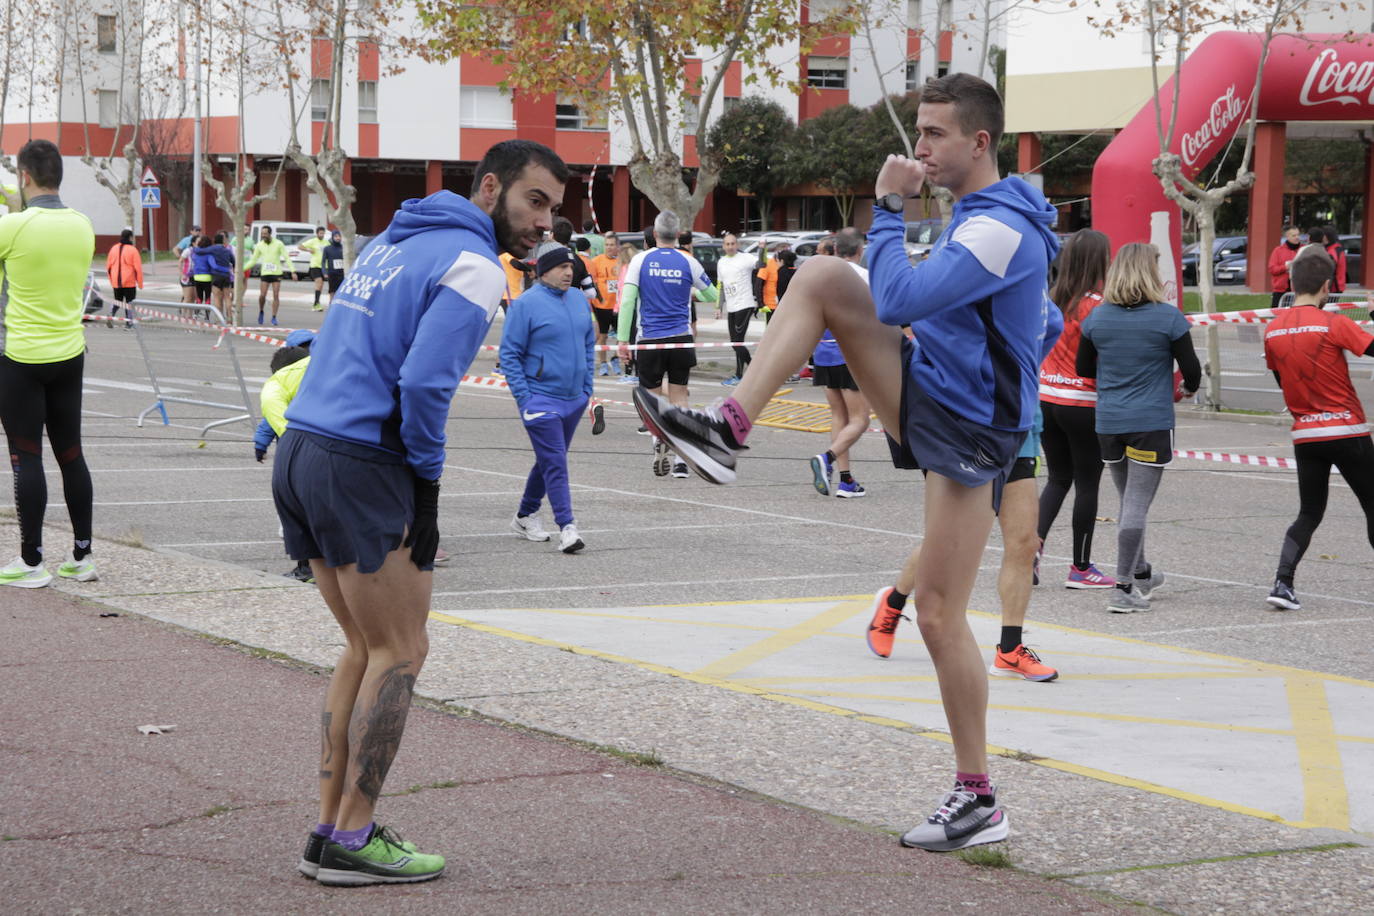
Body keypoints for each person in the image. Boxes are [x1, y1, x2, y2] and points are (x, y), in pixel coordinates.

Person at [634, 73, 1061, 852]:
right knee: (824, 276)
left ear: (980, 142)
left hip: (971, 429)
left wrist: (889, 209)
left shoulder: (1002, 225)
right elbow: (1036, 312)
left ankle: (978, 799)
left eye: (933, 133)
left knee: (936, 614)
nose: (919, 147)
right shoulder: (988, 219)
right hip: (941, 395)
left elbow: (898, 301)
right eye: (918, 131)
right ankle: (727, 429)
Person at [272, 139, 566, 885]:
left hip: (304, 447)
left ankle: (330, 829)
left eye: (554, 210)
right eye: (535, 202)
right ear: (492, 187)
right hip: (364, 462)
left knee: (364, 648)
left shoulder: (391, 241)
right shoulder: (471, 265)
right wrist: (428, 489)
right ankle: (354, 837)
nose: (544, 223)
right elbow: (427, 385)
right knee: (401, 652)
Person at [867, 410, 1060, 682]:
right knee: (949, 539)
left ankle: (1010, 650)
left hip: (1018, 435)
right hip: (964, 436)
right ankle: (894, 601)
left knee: (1025, 543)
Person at [1077, 242, 1201, 613]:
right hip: (1150, 421)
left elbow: (1084, 369)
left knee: (1130, 502)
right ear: (1150, 274)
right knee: (1136, 504)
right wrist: (1186, 389)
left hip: (1109, 422)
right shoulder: (1168, 318)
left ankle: (1142, 572)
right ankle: (1123, 586)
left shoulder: (1097, 318)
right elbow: (1191, 372)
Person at [0, 139, 99, 588]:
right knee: (71, 453)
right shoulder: (84, 225)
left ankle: (32, 562)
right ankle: (82, 556)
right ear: (59, 175)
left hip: (20, 356)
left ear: (23, 176)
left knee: (27, 455)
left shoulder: (14, 226)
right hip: (69, 353)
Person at [1261, 250, 1374, 610]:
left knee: (1309, 513)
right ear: (1328, 287)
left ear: (1292, 285)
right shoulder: (1332, 323)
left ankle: (1282, 583)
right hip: (1347, 429)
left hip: (1306, 434)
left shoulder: (1273, 328)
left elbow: (1281, 378)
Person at [501, 247, 596, 553]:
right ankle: (567, 527)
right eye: (563, 267)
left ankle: (525, 514)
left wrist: (586, 387)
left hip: (574, 399)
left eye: (572, 267)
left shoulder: (580, 300)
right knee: (556, 461)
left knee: (548, 460)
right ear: (544, 271)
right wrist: (525, 398)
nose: (570, 272)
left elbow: (588, 344)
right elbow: (509, 354)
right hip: (540, 398)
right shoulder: (525, 304)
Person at [1036, 228, 1115, 589]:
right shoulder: (1099, 305)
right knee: (1087, 484)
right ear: (1100, 261)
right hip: (1083, 402)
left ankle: (1029, 555)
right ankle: (1080, 568)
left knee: (1056, 479)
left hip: (1047, 397)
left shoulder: (1051, 298)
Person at [617, 210, 719, 479]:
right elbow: (712, 294)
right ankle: (681, 460)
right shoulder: (688, 261)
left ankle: (658, 440)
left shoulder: (640, 260)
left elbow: (627, 301)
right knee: (680, 395)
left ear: (655, 235)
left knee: (652, 396)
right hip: (681, 338)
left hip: (650, 338)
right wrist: (690, 290)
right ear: (677, 235)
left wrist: (622, 340)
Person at [810, 228, 871, 499]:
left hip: (824, 353)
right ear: (859, 251)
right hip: (851, 354)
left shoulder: (820, 277)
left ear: (834, 251)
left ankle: (845, 480)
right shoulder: (864, 277)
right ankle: (827, 457)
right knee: (860, 420)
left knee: (839, 416)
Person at [717, 232, 758, 386]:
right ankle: (743, 374)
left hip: (745, 304)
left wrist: (763, 250)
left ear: (738, 245)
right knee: (734, 343)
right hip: (732, 306)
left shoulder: (746, 258)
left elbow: (761, 265)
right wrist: (718, 307)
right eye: (727, 244)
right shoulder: (721, 262)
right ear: (723, 246)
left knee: (737, 343)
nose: (730, 247)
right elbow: (720, 286)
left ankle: (746, 373)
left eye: (733, 243)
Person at [245, 225, 294, 326]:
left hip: (276, 273)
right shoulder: (259, 245)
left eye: (265, 234)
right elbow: (253, 260)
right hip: (265, 273)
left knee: (276, 295)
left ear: (270, 234)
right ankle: (261, 311)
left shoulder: (278, 244)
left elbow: (286, 257)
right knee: (262, 295)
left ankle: (274, 317)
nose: (263, 235)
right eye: (262, 234)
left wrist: (293, 271)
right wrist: (242, 269)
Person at [588, 231, 622, 376]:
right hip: (601, 305)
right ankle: (602, 363)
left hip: (618, 305)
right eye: (607, 245)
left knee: (621, 337)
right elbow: (591, 281)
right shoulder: (596, 261)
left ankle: (615, 358)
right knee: (603, 336)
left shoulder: (622, 261)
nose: (609, 247)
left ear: (617, 246)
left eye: (612, 245)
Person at [105, 227, 143, 329]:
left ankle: (111, 314)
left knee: (117, 301)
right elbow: (138, 268)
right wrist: (140, 283)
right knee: (129, 303)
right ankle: (129, 323)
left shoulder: (114, 249)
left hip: (116, 281)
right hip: (129, 281)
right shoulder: (133, 250)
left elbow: (108, 266)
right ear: (130, 238)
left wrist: (111, 280)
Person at [1267, 226, 1302, 310]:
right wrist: (1285, 267)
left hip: (1299, 290)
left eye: (1298, 235)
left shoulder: (1303, 249)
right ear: (1287, 236)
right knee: (1277, 316)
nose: (1297, 237)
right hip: (1281, 290)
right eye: (1294, 235)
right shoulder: (1278, 251)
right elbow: (1272, 269)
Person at [206, 232, 236, 315]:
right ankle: (229, 318)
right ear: (223, 241)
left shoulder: (212, 249)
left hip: (216, 275)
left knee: (217, 298)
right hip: (226, 275)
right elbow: (233, 261)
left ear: (214, 240)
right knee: (227, 297)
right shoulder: (227, 250)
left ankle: (218, 319)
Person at [301, 226, 329, 311]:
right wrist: (308, 250)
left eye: (323, 233)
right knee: (319, 282)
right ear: (317, 233)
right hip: (315, 266)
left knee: (320, 286)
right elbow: (300, 246)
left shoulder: (326, 242)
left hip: (324, 267)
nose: (322, 234)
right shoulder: (312, 241)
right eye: (320, 233)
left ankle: (315, 304)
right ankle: (316, 303)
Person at [189, 235, 216, 305]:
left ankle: (196, 313)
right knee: (207, 297)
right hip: (207, 277)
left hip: (197, 276)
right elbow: (213, 265)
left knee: (199, 297)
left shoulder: (195, 253)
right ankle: (207, 315)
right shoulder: (209, 255)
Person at [321, 230, 344, 307]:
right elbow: (323, 261)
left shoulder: (343, 248)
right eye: (336, 236)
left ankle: (339, 306)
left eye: (339, 236)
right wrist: (324, 272)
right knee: (332, 290)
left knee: (341, 291)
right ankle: (331, 305)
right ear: (332, 237)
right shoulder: (327, 248)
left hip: (342, 273)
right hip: (332, 273)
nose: (338, 238)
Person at [1322, 225, 1348, 294]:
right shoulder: (1337, 248)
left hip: (1333, 287)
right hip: (1338, 285)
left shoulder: (1332, 250)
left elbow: (1329, 271)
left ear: (1326, 237)